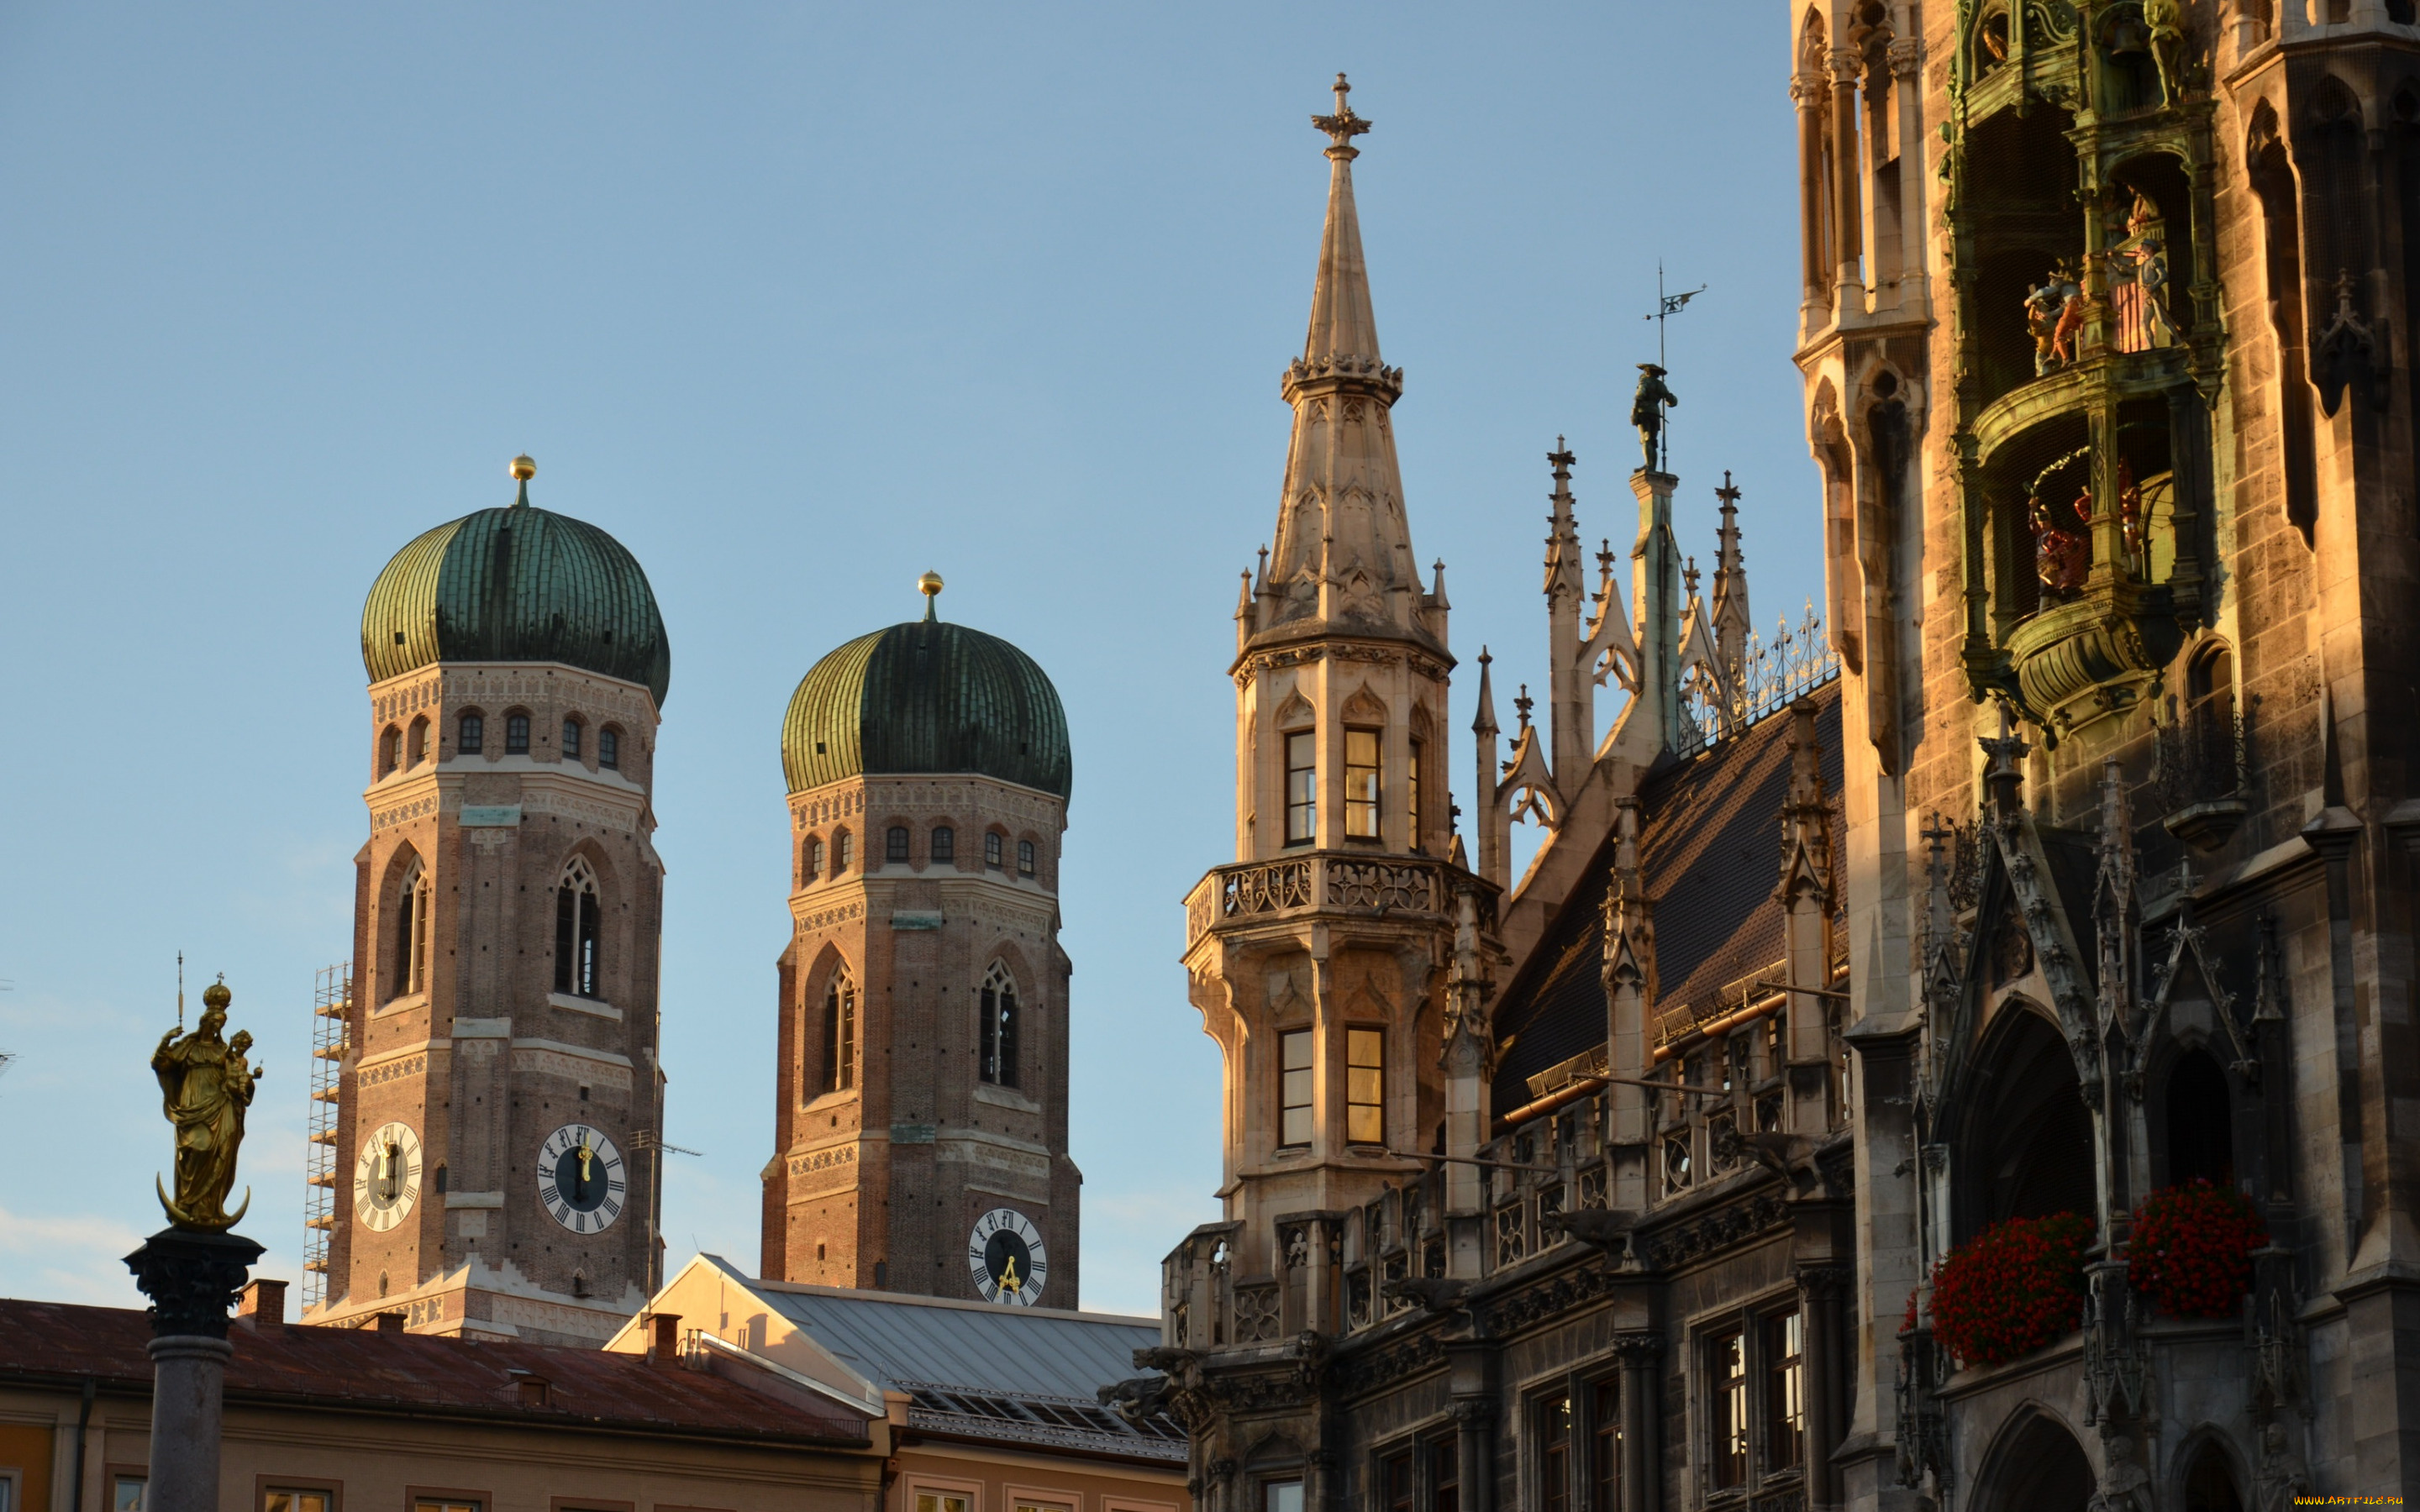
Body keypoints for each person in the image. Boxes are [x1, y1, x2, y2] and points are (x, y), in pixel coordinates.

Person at [152, 980, 261, 1229]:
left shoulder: (226, 1052)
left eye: (220, 1024)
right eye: (212, 1023)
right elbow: (161, 1064)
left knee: (224, 1150)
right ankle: (189, 1204)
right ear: (204, 1023)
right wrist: (165, 1041)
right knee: (198, 1149)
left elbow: (238, 1078)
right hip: (194, 1105)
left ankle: (212, 1208)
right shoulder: (188, 1047)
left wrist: (246, 1085)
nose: (216, 1027)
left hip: (221, 1106)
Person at [1630, 363, 1678, 471]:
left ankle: (1648, 464)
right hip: (1655, 413)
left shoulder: (1645, 382)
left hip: (1644, 412)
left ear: (1647, 372)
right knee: (1653, 441)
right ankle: (1652, 467)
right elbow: (1672, 401)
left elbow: (1639, 397)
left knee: (1645, 439)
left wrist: (1634, 413)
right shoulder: (1661, 385)